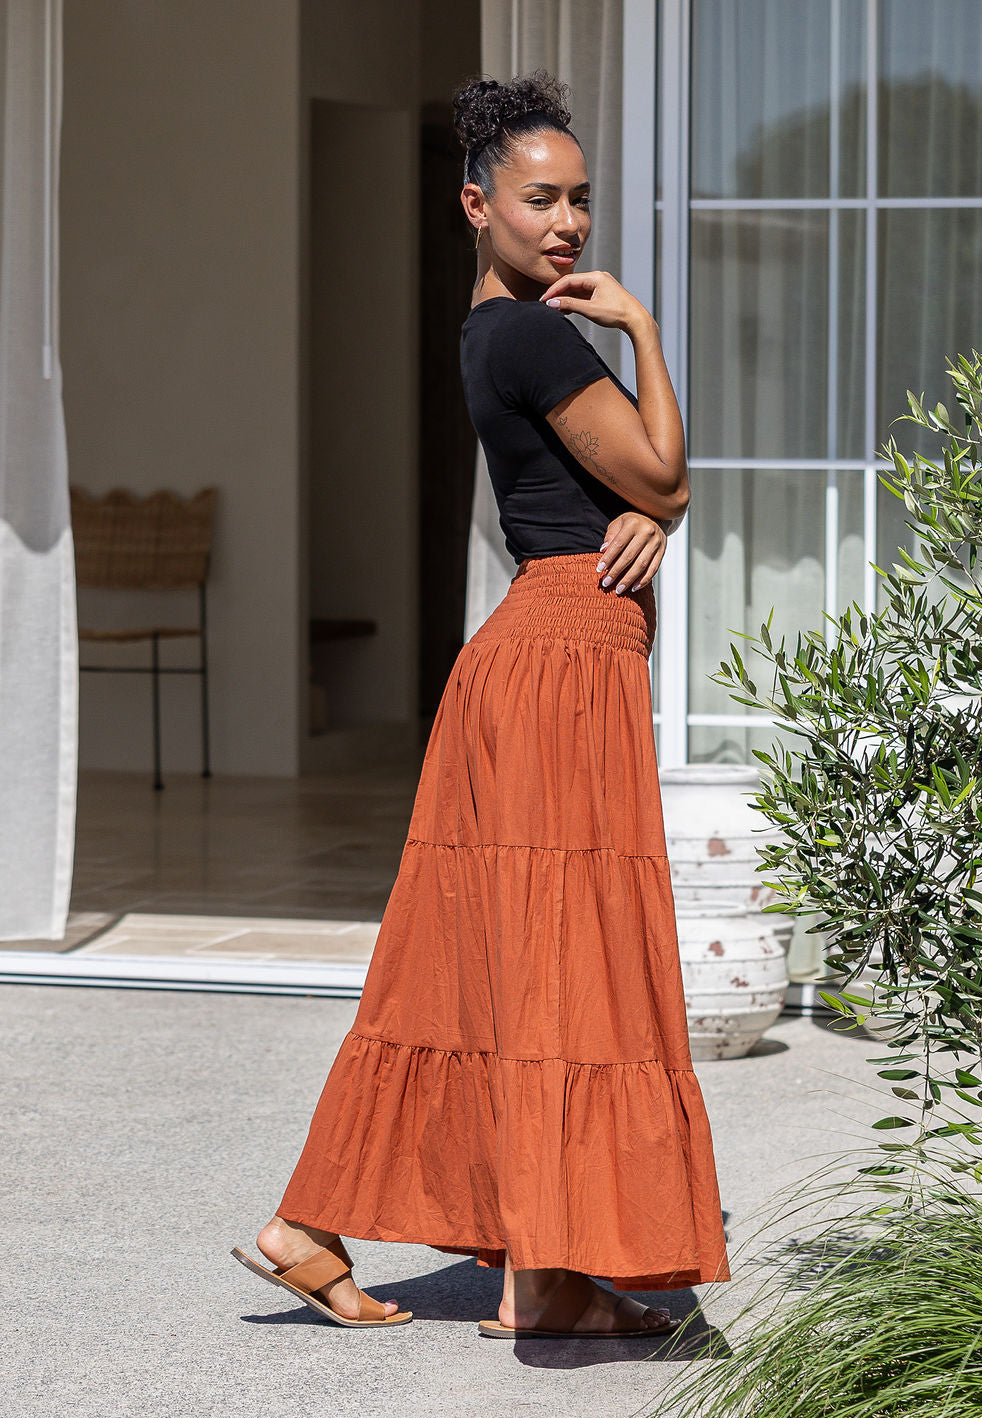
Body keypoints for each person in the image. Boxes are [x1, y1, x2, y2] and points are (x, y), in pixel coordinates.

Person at [232, 70, 730, 1340]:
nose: (565, 225)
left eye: (579, 200)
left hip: (539, 651)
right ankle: (543, 1266)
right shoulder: (537, 332)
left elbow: (624, 497)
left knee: (477, 964)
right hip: (561, 661)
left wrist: (637, 514)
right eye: (537, 199)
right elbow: (664, 476)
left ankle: (394, 1241)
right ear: (476, 202)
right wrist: (646, 336)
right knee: (567, 964)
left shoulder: (484, 327)